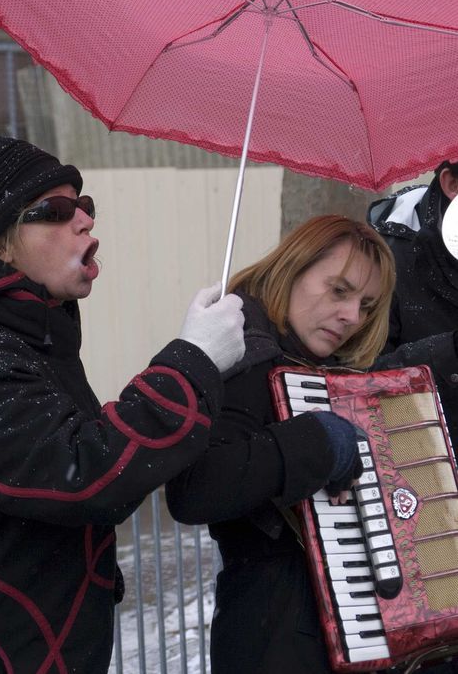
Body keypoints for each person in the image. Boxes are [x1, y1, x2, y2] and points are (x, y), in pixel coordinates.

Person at [0, 136, 246, 674]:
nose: (83, 221)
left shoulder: (32, 341)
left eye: (85, 207)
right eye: (55, 211)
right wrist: (193, 361)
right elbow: (85, 474)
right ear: (0, 244)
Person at [166, 215, 396, 674]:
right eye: (339, 290)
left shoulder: (318, 369)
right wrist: (317, 442)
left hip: (323, 629)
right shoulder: (243, 353)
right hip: (270, 635)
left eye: (367, 306)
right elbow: (194, 488)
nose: (352, 317)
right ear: (293, 269)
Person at [368, 160, 458, 449]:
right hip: (424, 471)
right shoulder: (385, 260)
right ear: (452, 184)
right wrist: (450, 352)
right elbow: (353, 382)